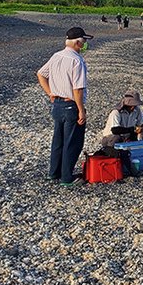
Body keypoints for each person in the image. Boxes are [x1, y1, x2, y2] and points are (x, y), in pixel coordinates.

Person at [36, 27, 91, 185]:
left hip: (57, 104)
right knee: (72, 142)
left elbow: (41, 74)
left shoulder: (56, 56)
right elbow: (77, 89)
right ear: (77, 42)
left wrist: (50, 93)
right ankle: (67, 178)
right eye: (84, 41)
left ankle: (54, 172)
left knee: (58, 140)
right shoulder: (77, 60)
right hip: (70, 104)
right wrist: (81, 110)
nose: (85, 44)